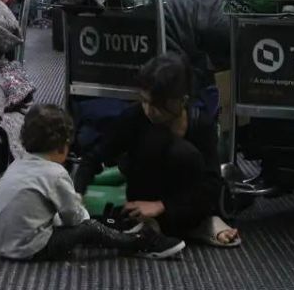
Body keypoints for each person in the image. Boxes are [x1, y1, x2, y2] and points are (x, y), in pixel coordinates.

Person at [73, 54, 241, 248]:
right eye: (145, 101)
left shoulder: (201, 125)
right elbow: (95, 155)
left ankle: (197, 224)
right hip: (142, 202)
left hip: (183, 205)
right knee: (151, 141)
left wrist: (163, 206)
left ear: (182, 100)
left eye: (158, 105)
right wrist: (77, 193)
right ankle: (155, 229)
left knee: (184, 154)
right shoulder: (135, 117)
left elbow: (211, 186)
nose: (149, 110)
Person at [0, 104, 185, 261]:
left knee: (59, 218)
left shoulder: (16, 164)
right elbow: (75, 219)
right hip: (29, 249)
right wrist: (85, 212)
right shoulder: (55, 173)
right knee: (89, 229)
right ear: (63, 147)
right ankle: (138, 242)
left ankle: (119, 227)